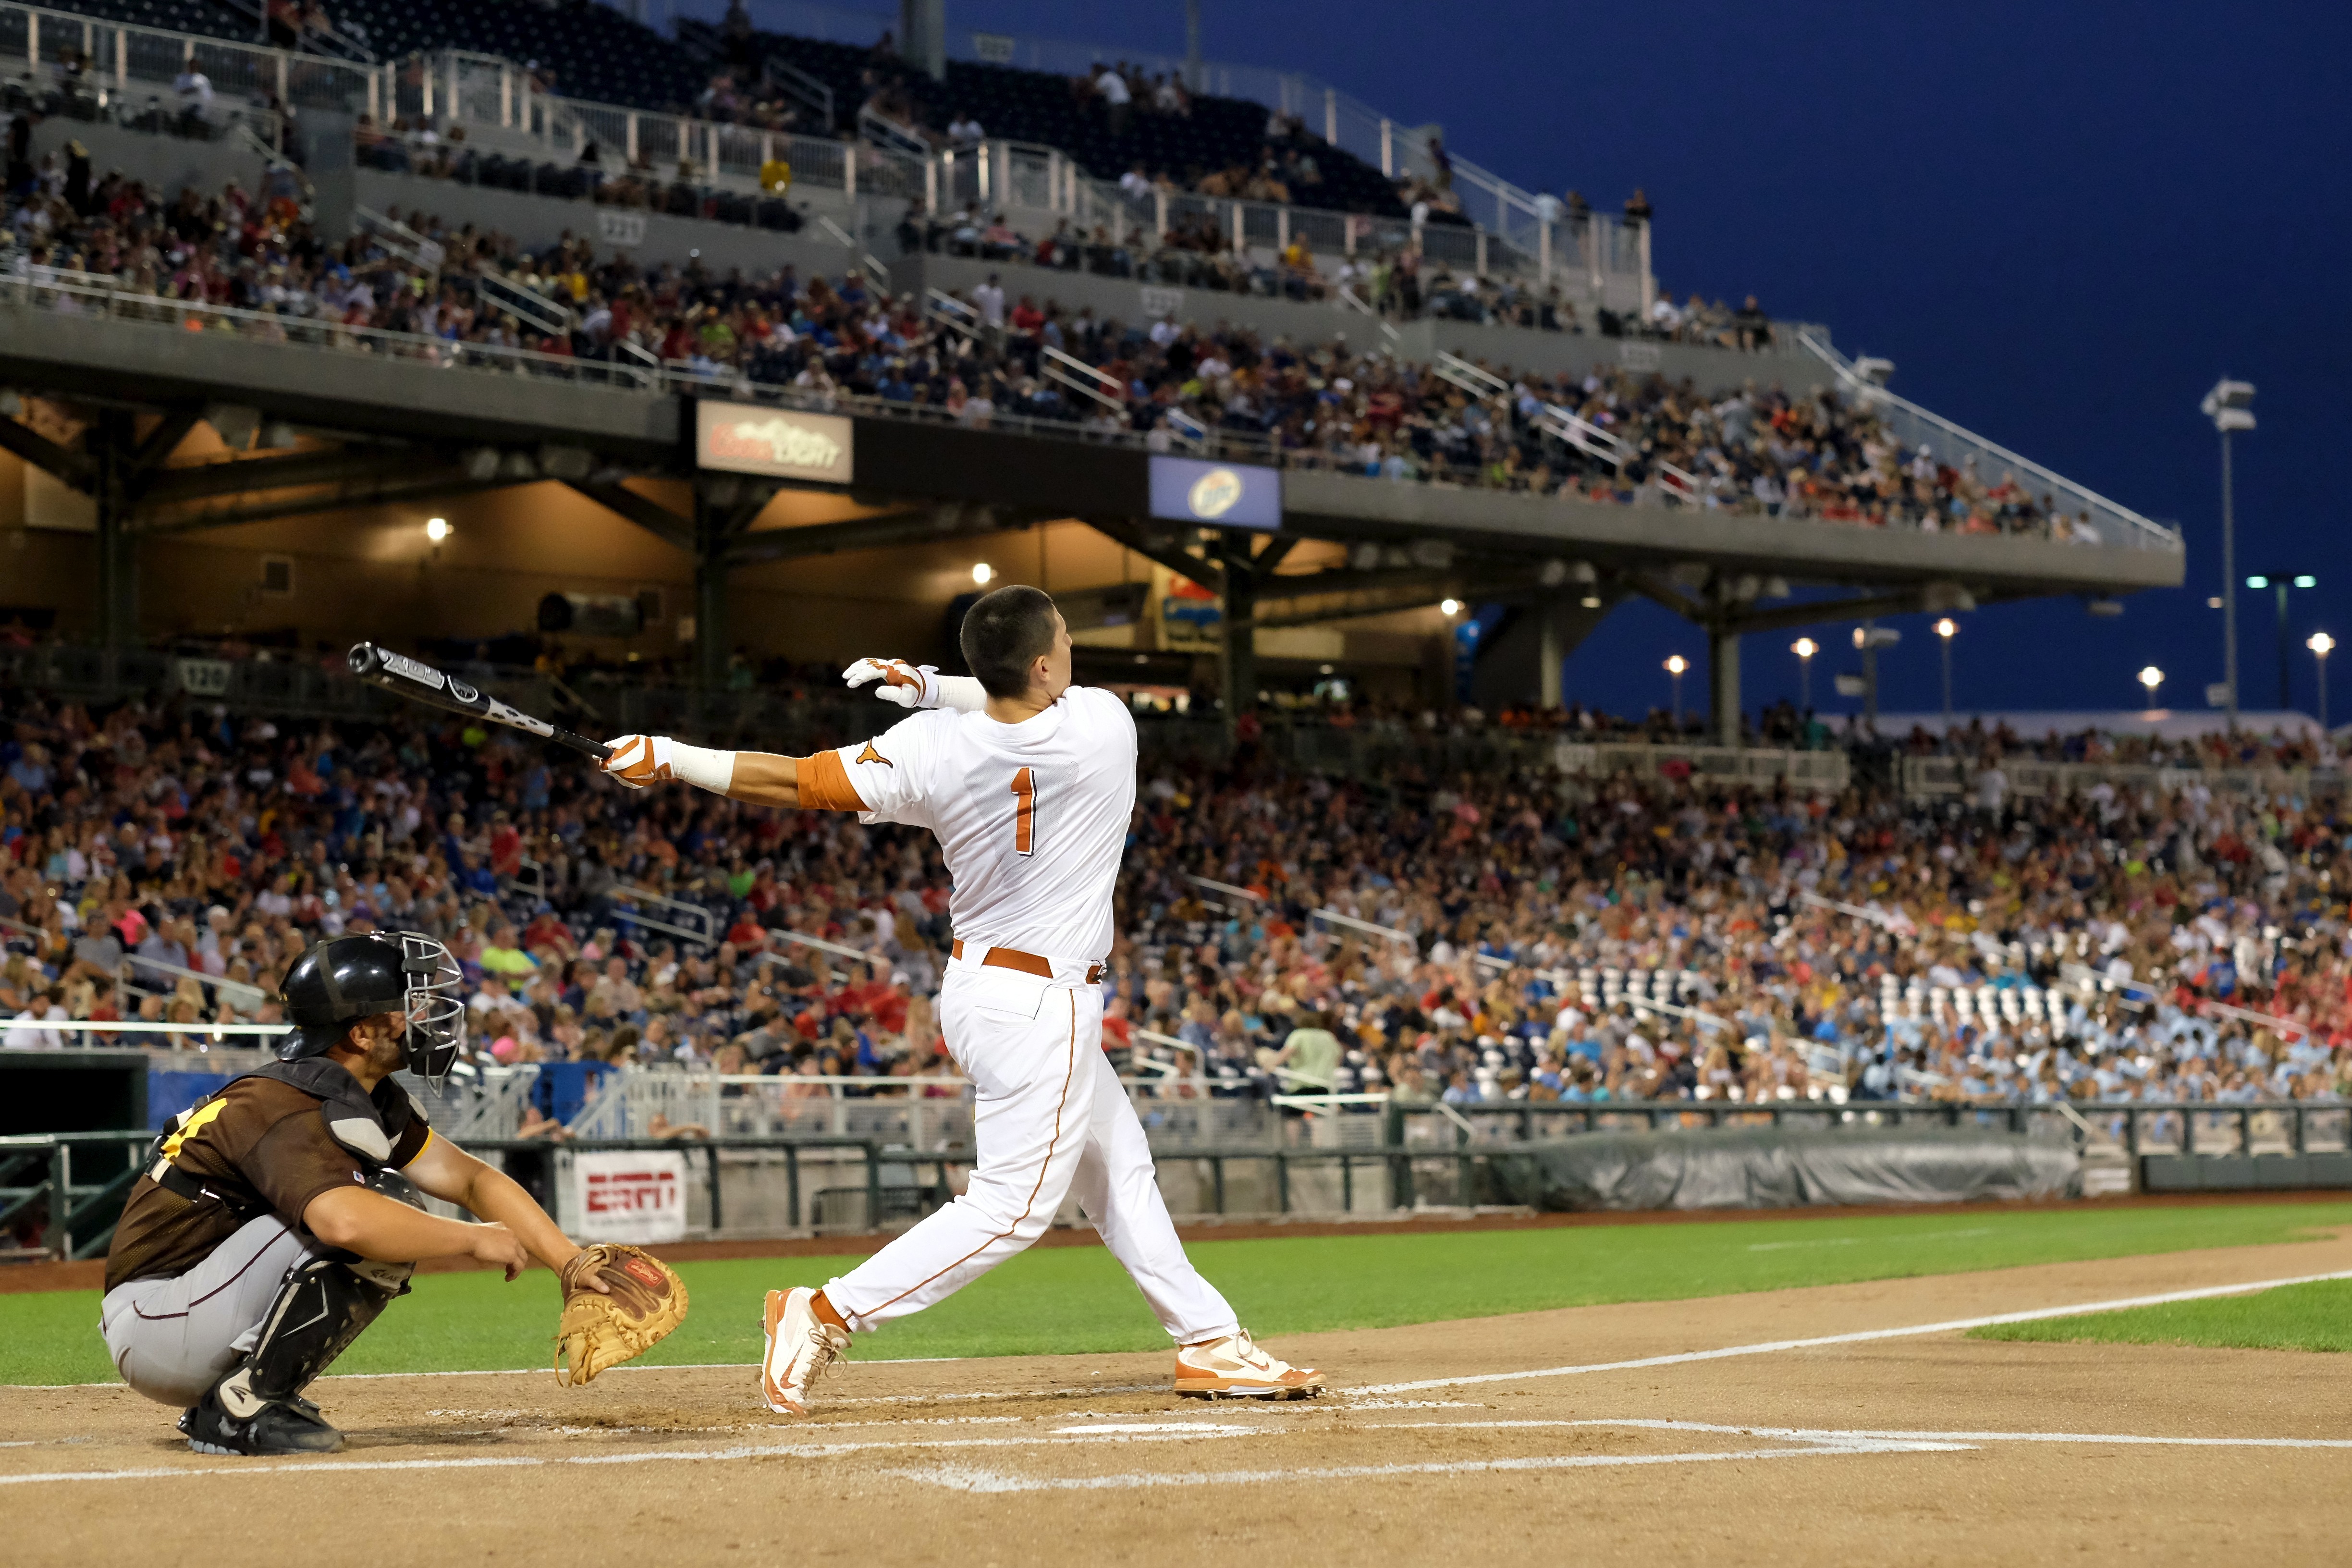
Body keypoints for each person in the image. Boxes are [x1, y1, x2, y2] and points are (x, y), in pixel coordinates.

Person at [600, 585, 1323, 1413]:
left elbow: (797, 780)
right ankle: (826, 1309)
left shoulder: (930, 746)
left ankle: (1209, 1339)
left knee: (1119, 1167)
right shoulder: (1104, 725)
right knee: (1014, 1207)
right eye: (1062, 640)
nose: (1070, 649)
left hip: (983, 990)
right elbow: (1016, 694)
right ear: (1046, 662)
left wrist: (670, 755)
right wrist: (937, 682)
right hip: (1043, 1003)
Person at [98, 932, 652, 1455]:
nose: (417, 1017)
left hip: (189, 1307)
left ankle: (241, 1393)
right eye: (399, 1005)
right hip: (158, 1324)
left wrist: (569, 1262)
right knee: (379, 1212)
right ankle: (242, 1406)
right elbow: (346, 1224)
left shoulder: (352, 1091)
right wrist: (472, 1240)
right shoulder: (286, 1104)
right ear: (359, 1033)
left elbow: (470, 1179)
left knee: (383, 1206)